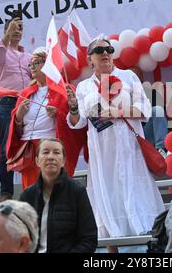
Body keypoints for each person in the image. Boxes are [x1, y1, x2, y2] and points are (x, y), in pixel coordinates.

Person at [67, 37, 165, 253]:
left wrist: (117, 112)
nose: (105, 53)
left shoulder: (128, 76)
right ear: (90, 59)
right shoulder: (83, 87)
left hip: (130, 150)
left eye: (109, 49)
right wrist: (74, 108)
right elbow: (79, 123)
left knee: (137, 194)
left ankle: (149, 251)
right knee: (107, 200)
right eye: (99, 50)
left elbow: (145, 110)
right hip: (103, 155)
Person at [6, 51, 86, 189]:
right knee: (32, 196)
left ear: (48, 65)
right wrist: (18, 116)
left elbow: (76, 123)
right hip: (30, 152)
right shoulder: (25, 93)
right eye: (30, 64)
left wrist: (58, 114)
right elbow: (17, 131)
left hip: (51, 147)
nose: (32, 66)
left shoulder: (64, 89)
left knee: (54, 193)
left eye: (36, 63)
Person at [19, 138, 97, 253]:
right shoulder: (27, 196)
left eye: (56, 152)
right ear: (37, 161)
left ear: (63, 161)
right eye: (45, 152)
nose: (51, 157)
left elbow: (89, 239)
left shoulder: (77, 192)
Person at [0, 15, 32, 201]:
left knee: (30, 143)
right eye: (14, 27)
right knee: (7, 147)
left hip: (28, 102)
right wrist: (7, 36)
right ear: (5, 31)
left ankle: (31, 186)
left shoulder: (28, 56)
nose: (17, 30)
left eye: (20, 28)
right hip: (7, 102)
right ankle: (6, 193)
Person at [129, 66, 168, 157]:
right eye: (131, 77)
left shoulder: (151, 93)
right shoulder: (121, 96)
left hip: (147, 132)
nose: (134, 80)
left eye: (136, 77)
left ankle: (161, 149)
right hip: (131, 135)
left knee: (157, 110)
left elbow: (162, 117)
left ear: (141, 78)